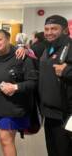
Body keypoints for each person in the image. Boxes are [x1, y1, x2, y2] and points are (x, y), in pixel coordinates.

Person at [0, 29, 37, 156]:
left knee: (6, 140)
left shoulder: (21, 56)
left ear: (8, 39)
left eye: (0, 39)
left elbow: (33, 82)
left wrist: (15, 87)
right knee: (4, 140)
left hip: (12, 108)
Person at [38, 15, 72, 156]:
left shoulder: (70, 47)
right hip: (50, 113)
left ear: (64, 30)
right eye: (46, 29)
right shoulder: (50, 48)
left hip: (66, 114)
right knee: (53, 151)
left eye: (54, 28)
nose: (49, 32)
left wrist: (66, 70)